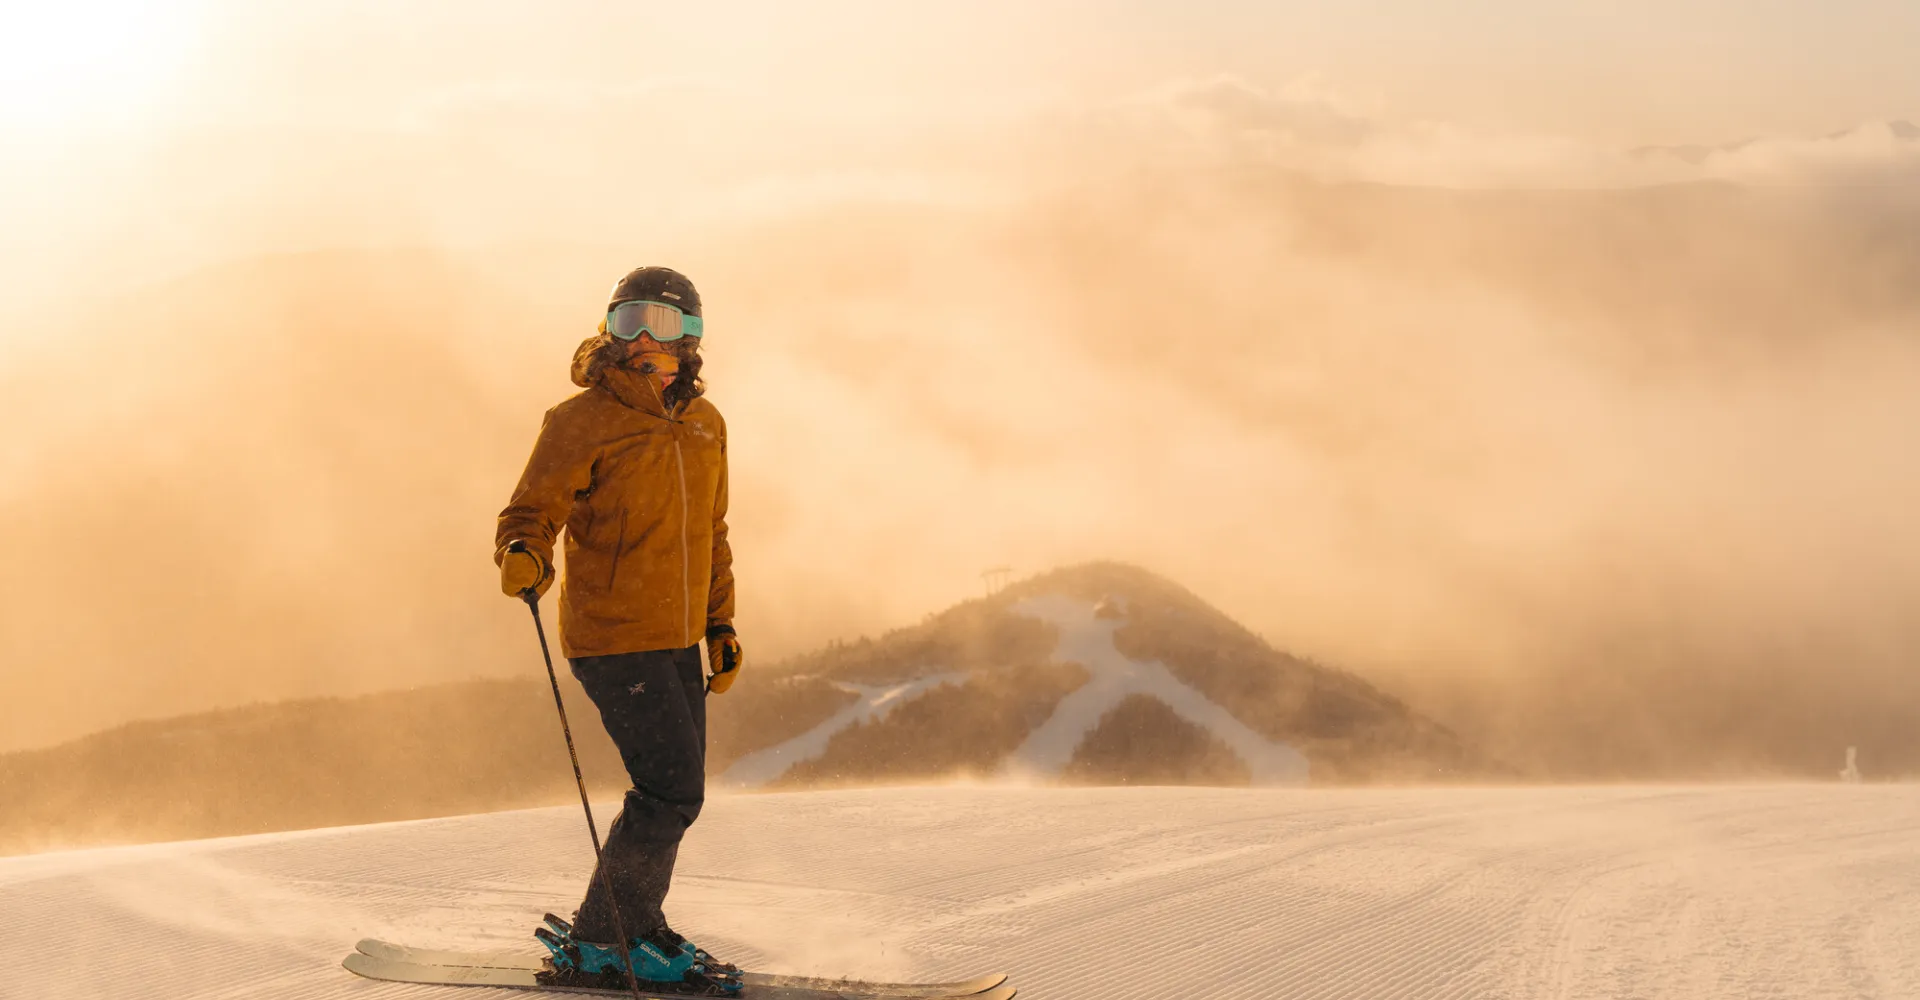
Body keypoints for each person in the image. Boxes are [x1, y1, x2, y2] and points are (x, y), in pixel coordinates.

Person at [495, 266, 744, 991]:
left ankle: (625, 927)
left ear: (691, 341)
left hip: (676, 637)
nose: (641, 338)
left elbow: (712, 532)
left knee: (675, 792)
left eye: (662, 325)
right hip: (612, 634)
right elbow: (530, 509)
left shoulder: (706, 424)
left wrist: (720, 623)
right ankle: (609, 939)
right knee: (669, 791)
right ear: (609, 328)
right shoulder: (580, 419)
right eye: (628, 319)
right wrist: (524, 553)